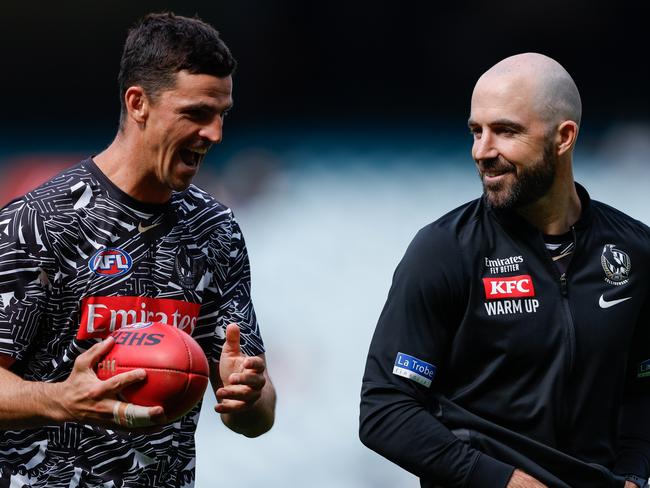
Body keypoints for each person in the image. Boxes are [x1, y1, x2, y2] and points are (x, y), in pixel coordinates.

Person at [0, 12, 276, 487]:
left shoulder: (215, 229)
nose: (215, 134)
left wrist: (248, 395)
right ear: (138, 103)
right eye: (195, 113)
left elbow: (257, 416)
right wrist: (62, 399)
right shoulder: (40, 222)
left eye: (221, 115)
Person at [359, 52, 650, 488]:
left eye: (505, 131)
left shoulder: (635, 251)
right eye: (476, 131)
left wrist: (633, 474)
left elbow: (643, 389)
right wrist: (502, 481)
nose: (482, 151)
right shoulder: (444, 250)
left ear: (564, 137)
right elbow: (385, 409)